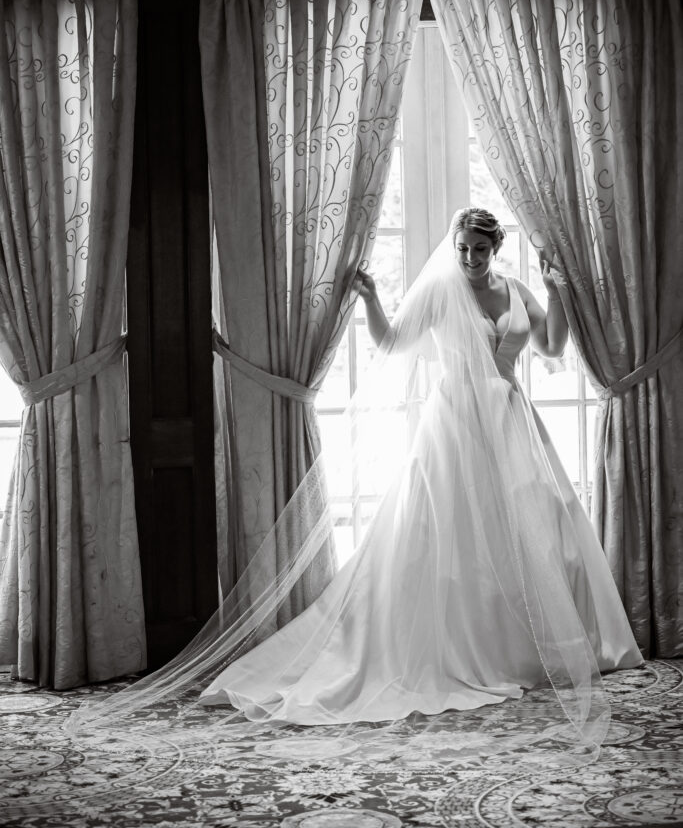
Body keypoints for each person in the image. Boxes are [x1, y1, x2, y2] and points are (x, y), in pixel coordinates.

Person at [196, 207, 642, 744]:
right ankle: (462, 650)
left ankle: (535, 648)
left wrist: (556, 294)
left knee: (539, 529)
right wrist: (371, 300)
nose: (470, 258)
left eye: (480, 249)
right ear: (454, 247)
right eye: (463, 248)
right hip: (456, 422)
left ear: (496, 248)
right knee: (456, 535)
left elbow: (550, 347)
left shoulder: (516, 289)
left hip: (510, 418)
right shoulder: (439, 290)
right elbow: (392, 344)